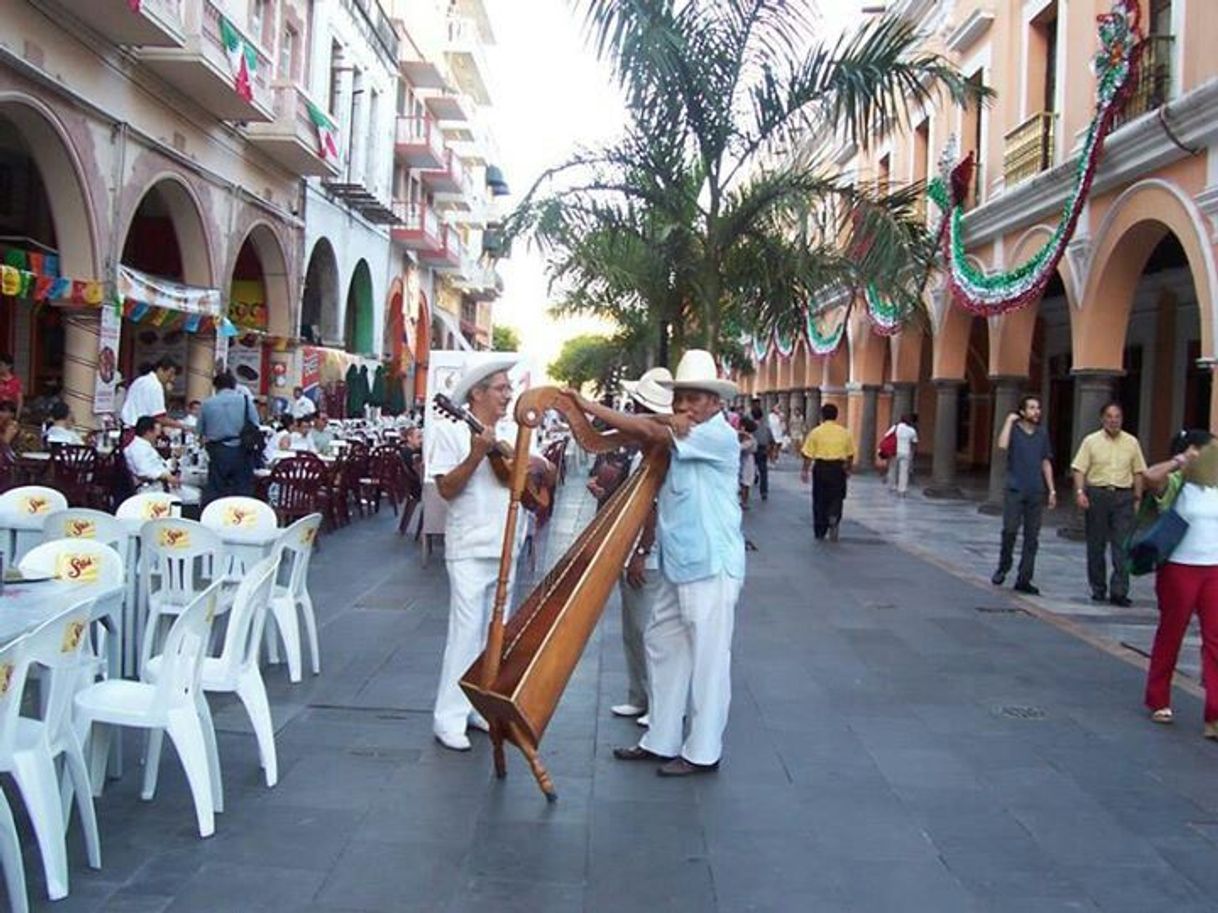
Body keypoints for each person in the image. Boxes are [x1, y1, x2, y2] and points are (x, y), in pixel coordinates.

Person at [576, 349, 745, 777]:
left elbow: (645, 428)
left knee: (708, 660)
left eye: (695, 397)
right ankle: (661, 738)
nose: (685, 406)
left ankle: (703, 751)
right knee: (661, 642)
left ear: (716, 402)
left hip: (710, 563)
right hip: (678, 562)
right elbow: (651, 431)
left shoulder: (716, 435)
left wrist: (589, 408)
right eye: (680, 398)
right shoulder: (681, 430)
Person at [430, 358, 523, 752]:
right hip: (469, 546)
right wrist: (475, 454)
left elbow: (518, 481)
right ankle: (447, 717)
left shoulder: (513, 431)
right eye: (501, 388)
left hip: (505, 545)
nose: (508, 394)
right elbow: (446, 489)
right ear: (478, 393)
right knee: (465, 634)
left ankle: (475, 707)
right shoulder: (448, 429)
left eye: (508, 387)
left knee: (492, 637)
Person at [1140, 430, 1218, 738]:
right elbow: (1149, 476)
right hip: (1179, 568)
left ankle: (1214, 712)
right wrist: (1180, 460)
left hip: (1214, 569)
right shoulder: (1176, 484)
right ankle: (1158, 698)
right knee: (1172, 632)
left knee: (1215, 640)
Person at [609, 367, 673, 722]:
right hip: (634, 549)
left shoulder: (660, 452)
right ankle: (639, 695)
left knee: (650, 633)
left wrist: (641, 551)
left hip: (650, 554)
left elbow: (653, 505)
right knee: (633, 630)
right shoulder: (643, 451)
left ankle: (660, 702)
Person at [1071, 402, 1147, 607]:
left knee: (1122, 545)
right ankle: (1098, 588)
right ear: (1102, 418)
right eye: (1109, 416)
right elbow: (1079, 469)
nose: (1113, 420)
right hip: (1098, 494)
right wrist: (1080, 492)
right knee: (1096, 544)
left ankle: (1119, 590)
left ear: (1122, 419)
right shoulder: (1091, 441)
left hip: (1123, 496)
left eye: (1117, 417)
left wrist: (1137, 499)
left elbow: (1138, 472)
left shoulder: (1131, 442)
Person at [991, 396, 1056, 594]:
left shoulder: (1042, 434)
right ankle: (1004, 566)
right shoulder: (1015, 431)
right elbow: (1002, 445)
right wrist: (1009, 421)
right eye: (1032, 408)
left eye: (1038, 408)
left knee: (1032, 536)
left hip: (1035, 490)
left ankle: (1024, 578)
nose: (1036, 412)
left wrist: (1051, 489)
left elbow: (1045, 461)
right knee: (1010, 530)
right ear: (1022, 411)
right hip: (1015, 489)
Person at [197, 370, 259, 503]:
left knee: (216, 490)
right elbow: (255, 424)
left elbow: (200, 430)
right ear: (234, 385)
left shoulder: (207, 404)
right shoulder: (246, 401)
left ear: (215, 387)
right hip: (242, 450)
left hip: (217, 450)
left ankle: (214, 519)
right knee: (242, 491)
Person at [800, 403, 854, 542]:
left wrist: (805, 470)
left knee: (819, 498)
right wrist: (848, 469)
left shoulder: (816, 432)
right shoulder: (844, 432)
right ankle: (834, 516)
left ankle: (820, 529)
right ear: (836, 416)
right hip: (838, 469)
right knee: (837, 496)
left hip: (821, 468)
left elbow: (808, 454)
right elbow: (850, 454)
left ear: (822, 415)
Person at [120, 357, 184, 431]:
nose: (172, 379)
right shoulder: (155, 385)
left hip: (127, 426)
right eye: (170, 374)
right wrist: (183, 426)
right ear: (160, 370)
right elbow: (159, 417)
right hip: (139, 430)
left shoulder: (140, 380)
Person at [124, 416, 181, 493]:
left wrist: (174, 458)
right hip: (151, 489)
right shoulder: (138, 449)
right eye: (156, 434)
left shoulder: (144, 446)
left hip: (161, 483)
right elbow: (144, 472)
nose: (158, 437)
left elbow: (157, 464)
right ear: (148, 432)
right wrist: (167, 477)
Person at [884, 414, 919, 496]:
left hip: (895, 451)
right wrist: (912, 452)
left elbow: (886, 435)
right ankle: (902, 490)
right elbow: (914, 442)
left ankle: (892, 486)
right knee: (904, 471)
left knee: (893, 468)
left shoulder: (895, 427)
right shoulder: (911, 430)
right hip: (906, 451)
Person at [750, 403, 772, 500]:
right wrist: (770, 450)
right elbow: (771, 439)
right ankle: (764, 491)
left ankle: (746, 491)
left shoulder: (750, 426)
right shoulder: (766, 427)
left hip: (751, 449)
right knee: (763, 471)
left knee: (749, 468)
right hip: (763, 449)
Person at [738, 418, 758, 509]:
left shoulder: (750, 438)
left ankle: (744, 501)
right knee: (743, 481)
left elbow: (741, 448)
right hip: (744, 460)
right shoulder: (746, 436)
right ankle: (742, 500)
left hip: (747, 461)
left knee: (745, 482)